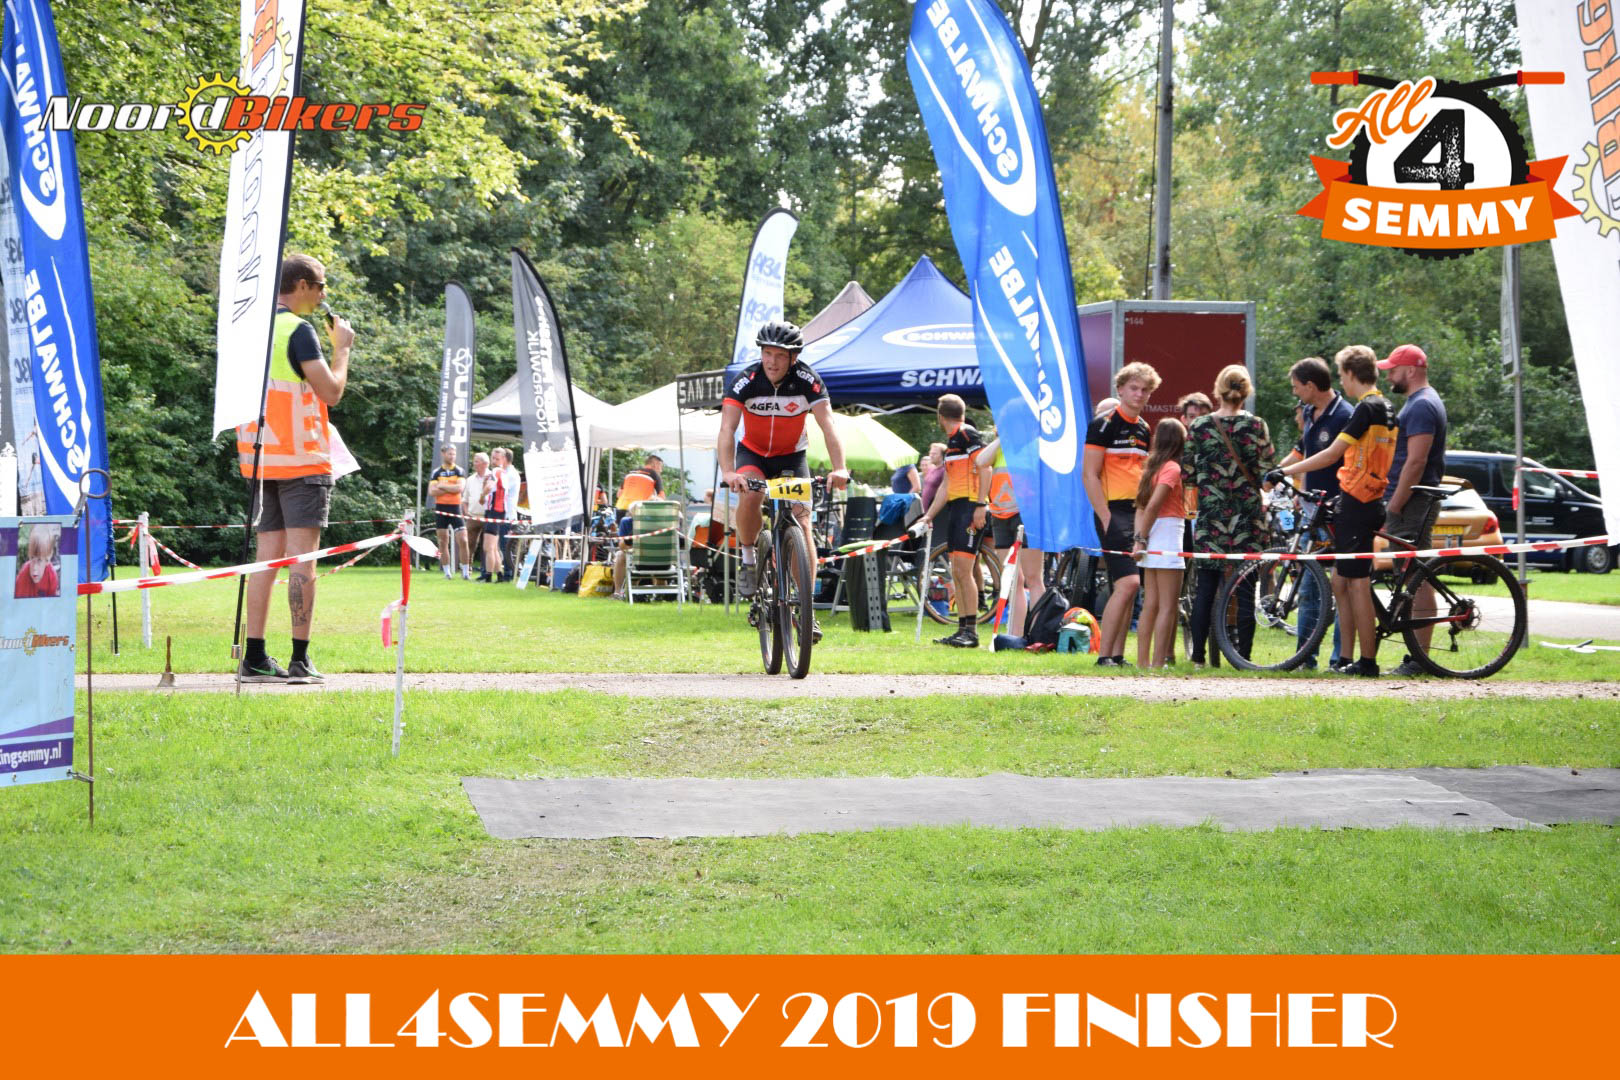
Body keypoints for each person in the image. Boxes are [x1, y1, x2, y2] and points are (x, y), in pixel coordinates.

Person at [235, 253, 353, 684]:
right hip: (302, 462)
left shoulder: (252, 330)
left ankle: (254, 656)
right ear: (301, 285)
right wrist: (342, 349)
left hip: (262, 460)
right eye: (320, 286)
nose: (323, 294)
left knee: (266, 561)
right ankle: (300, 659)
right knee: (303, 562)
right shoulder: (299, 331)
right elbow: (331, 392)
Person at [718, 321, 849, 630]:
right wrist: (728, 471)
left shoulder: (807, 380)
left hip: (791, 457)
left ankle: (807, 609)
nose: (772, 362)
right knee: (751, 494)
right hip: (753, 454)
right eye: (767, 353)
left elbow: (828, 424)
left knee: (802, 523)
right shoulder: (746, 380)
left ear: (793, 357)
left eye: (779, 355)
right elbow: (727, 428)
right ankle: (749, 559)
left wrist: (840, 467)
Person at [1276, 346, 1397, 677]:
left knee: (1357, 584)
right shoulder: (1385, 405)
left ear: (1352, 374)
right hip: (1363, 499)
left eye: (1342, 375)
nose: (1341, 382)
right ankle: (1344, 659)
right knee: (1340, 582)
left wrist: (1285, 472)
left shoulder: (1366, 408)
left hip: (1359, 501)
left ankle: (1367, 661)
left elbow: (1331, 454)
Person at [1185, 364, 1274, 667]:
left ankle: (1198, 657)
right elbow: (1267, 472)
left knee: (1205, 589)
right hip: (1248, 517)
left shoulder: (1199, 426)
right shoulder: (1257, 425)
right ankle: (1243, 658)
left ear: (1217, 389)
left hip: (1211, 517)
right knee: (1246, 589)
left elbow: (1188, 472)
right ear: (1246, 391)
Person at [1275, 355, 1354, 668]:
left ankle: (1340, 659)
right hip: (1312, 512)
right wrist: (1291, 482)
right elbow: (1305, 452)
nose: (1295, 392)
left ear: (1310, 385)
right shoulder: (1308, 412)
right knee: (1308, 587)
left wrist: (1287, 472)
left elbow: (1331, 457)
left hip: (1339, 511)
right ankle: (1305, 658)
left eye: (1297, 387)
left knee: (1343, 587)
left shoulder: (1345, 414)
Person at [1083, 363, 1159, 666]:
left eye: (1145, 390)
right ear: (1120, 389)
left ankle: (1116, 654)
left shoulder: (1144, 428)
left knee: (1129, 586)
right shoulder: (1103, 425)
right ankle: (1104, 656)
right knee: (1128, 583)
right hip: (1112, 510)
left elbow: (1144, 474)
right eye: (1134, 388)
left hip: (1136, 512)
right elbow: (1089, 474)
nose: (1139, 394)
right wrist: (1104, 516)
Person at [1380, 344, 1448, 676]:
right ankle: (1419, 656)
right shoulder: (1418, 402)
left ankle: (1421, 659)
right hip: (1410, 499)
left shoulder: (1421, 405)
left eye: (1392, 370)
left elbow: (1416, 461)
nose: (1388, 376)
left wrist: (1395, 503)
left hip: (1413, 501)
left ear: (1410, 370)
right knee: (1412, 577)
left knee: (1416, 579)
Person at [920, 394, 988, 648]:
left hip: (970, 506)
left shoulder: (967, 433)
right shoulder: (952, 442)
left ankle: (971, 632)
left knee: (963, 571)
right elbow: (946, 486)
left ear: (940, 416)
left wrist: (980, 505)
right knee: (957, 571)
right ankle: (962, 629)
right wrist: (929, 515)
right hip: (957, 507)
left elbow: (986, 467)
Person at [975, 436, 1045, 638]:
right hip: (1000, 515)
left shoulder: (1034, 443)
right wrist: (1001, 438)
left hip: (1027, 514)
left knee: (1033, 578)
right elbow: (981, 461)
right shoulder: (1001, 445)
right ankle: (1015, 634)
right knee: (1013, 580)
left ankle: (1037, 634)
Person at [1132, 418, 1187, 668]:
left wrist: (1139, 539)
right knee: (1167, 606)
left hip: (1152, 534)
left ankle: (1143, 662)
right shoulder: (1172, 468)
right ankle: (1157, 663)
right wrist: (1141, 539)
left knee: (1150, 605)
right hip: (1167, 534)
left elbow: (1141, 507)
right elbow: (1154, 504)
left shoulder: (1151, 468)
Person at [428, 445, 469, 579]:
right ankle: (447, 572)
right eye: (450, 454)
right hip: (441, 508)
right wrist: (451, 487)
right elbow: (432, 491)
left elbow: (460, 488)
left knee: (463, 540)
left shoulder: (459, 470)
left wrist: (441, 486)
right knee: (442, 541)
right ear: (443, 454)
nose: (452, 456)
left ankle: (465, 573)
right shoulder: (436, 472)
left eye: (454, 454)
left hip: (455, 508)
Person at [480, 446, 520, 582]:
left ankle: (490, 575)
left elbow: (490, 487)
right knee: (496, 547)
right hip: (500, 511)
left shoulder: (498, 472)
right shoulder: (503, 473)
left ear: (504, 459)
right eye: (493, 458)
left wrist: (482, 495)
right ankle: (500, 574)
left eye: (496, 459)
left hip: (498, 512)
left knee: (490, 547)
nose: (493, 461)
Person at [463, 452, 490, 575]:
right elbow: (465, 500)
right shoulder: (470, 479)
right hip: (472, 516)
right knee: (469, 544)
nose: (474, 464)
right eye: (474, 461)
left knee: (488, 546)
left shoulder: (492, 477)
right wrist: (466, 512)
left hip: (488, 517)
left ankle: (487, 571)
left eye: (476, 461)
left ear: (485, 464)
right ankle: (467, 569)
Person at [13, 526, 60, 598]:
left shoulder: (52, 576)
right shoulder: (23, 575)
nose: (34, 568)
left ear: (47, 559)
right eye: (32, 558)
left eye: (39, 560)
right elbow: (19, 602)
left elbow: (52, 602)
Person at [615, 455, 664, 521]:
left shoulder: (630, 473)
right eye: (660, 467)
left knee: (622, 527)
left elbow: (619, 494)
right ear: (655, 465)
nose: (661, 470)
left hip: (621, 508)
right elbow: (661, 497)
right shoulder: (654, 474)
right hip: (638, 509)